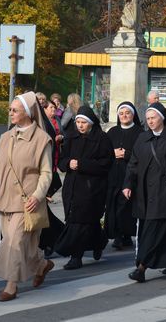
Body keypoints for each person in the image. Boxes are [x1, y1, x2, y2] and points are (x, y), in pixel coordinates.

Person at [0, 92, 54, 302]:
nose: (10, 113)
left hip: (27, 203)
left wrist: (38, 196)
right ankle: (41, 265)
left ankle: (11, 285)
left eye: (15, 110)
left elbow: (47, 173)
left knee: (13, 242)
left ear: (28, 113)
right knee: (24, 246)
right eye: (10, 109)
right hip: (5, 199)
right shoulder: (6, 137)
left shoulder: (42, 140)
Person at [123, 102, 166, 283]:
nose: (150, 122)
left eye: (153, 118)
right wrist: (128, 184)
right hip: (143, 192)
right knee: (164, 229)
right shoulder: (142, 138)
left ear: (162, 118)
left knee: (153, 230)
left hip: (164, 192)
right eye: (148, 119)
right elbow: (133, 164)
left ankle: (141, 267)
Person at [55, 106, 113, 270]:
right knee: (88, 221)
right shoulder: (71, 138)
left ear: (91, 123)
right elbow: (61, 161)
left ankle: (76, 256)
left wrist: (82, 164)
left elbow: (106, 164)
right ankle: (98, 242)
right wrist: (68, 163)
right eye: (78, 122)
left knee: (78, 222)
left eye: (83, 123)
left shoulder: (102, 139)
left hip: (92, 188)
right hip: (72, 187)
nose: (80, 126)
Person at [104, 102, 143, 250]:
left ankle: (124, 235)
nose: (124, 116)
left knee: (126, 206)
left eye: (127, 113)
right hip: (113, 174)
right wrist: (112, 153)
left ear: (133, 115)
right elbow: (103, 152)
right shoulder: (112, 132)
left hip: (130, 175)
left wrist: (126, 154)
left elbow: (142, 154)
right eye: (121, 113)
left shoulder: (140, 133)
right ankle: (118, 234)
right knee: (113, 205)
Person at [38, 99, 65, 258]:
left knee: (42, 214)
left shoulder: (45, 127)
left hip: (41, 176)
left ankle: (53, 240)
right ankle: (58, 237)